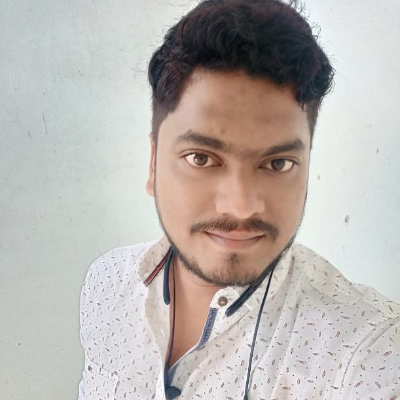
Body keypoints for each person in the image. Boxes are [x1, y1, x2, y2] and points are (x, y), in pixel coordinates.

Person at [77, 0, 400, 399]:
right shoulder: (107, 284)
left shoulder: (365, 354)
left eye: (278, 163)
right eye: (201, 158)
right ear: (153, 164)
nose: (242, 206)